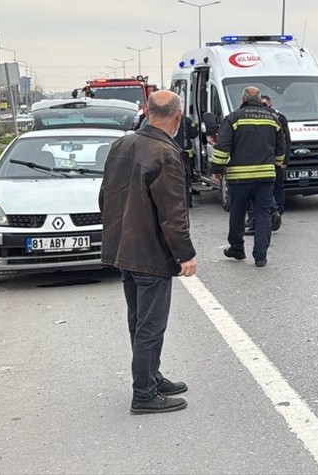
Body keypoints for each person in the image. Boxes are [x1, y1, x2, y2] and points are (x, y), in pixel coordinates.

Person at [99, 90, 198, 415]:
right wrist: (185, 254)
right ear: (178, 116)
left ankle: (151, 376)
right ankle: (144, 393)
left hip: (124, 249)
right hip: (150, 253)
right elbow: (173, 213)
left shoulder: (121, 145)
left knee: (139, 321)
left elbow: (104, 197)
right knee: (151, 325)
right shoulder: (165, 153)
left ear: (147, 111)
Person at [209, 86, 286, 267]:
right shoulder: (273, 119)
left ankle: (237, 248)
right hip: (266, 176)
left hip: (239, 178)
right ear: (260, 100)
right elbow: (280, 149)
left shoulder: (234, 118)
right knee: (263, 214)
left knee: (237, 213)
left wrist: (217, 169)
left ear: (243, 100)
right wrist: (277, 166)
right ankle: (260, 256)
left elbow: (222, 147)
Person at [260, 95, 290, 231]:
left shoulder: (278, 118)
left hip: (269, 159)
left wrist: (284, 160)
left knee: (274, 187)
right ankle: (276, 212)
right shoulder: (277, 117)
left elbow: (286, 140)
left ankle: (276, 212)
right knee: (273, 187)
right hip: (270, 159)